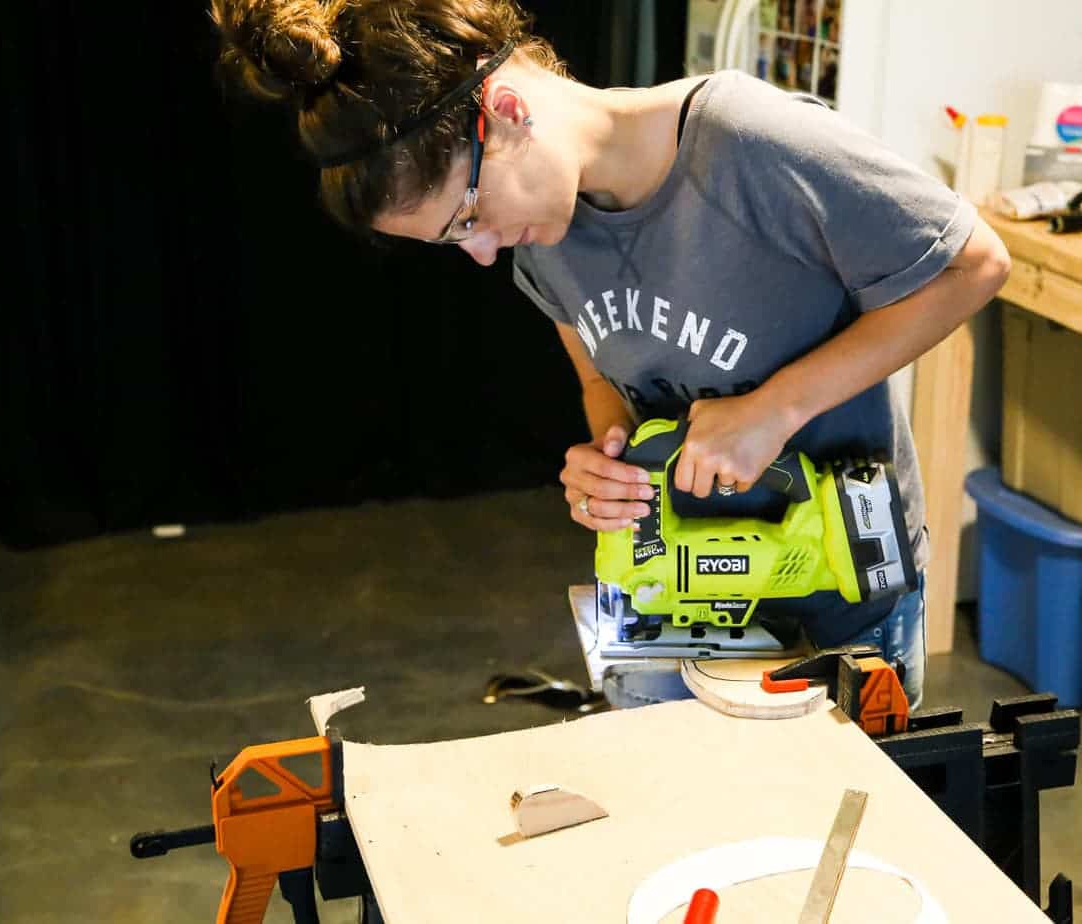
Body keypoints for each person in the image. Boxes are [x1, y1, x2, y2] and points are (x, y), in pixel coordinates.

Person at [211, 0, 1011, 708]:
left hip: (843, 586)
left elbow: (973, 264)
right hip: (679, 596)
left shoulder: (746, 142)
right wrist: (606, 463)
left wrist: (775, 410)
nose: (484, 254)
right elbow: (604, 379)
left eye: (469, 216)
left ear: (507, 109)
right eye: (455, 242)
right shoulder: (546, 235)